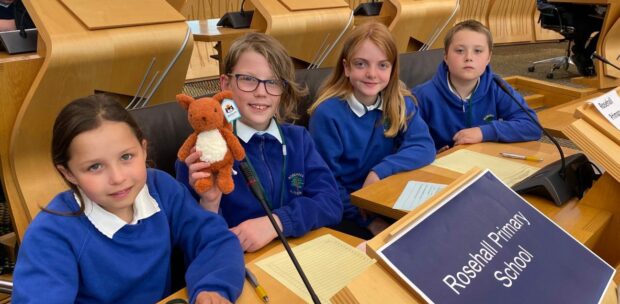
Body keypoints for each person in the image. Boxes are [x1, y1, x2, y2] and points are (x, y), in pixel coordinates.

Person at [0, 95, 245, 304]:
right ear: (68, 173)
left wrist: (214, 287)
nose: (117, 177)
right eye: (95, 166)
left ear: (143, 149)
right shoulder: (52, 233)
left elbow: (216, 239)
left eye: (127, 157)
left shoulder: (161, 189)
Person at [176, 33, 342, 252]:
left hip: (301, 253)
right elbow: (194, 245)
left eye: (272, 82)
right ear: (226, 84)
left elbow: (331, 203)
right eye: (248, 79)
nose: (261, 92)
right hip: (242, 265)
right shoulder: (198, 155)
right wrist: (209, 204)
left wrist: (276, 223)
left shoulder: (298, 139)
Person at [308, 22, 436, 238]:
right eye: (361, 64)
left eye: (382, 65)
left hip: (386, 199)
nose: (372, 74)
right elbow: (327, 184)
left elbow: (424, 145)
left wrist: (379, 171)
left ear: (393, 69)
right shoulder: (327, 115)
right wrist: (369, 221)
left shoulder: (400, 102)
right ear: (347, 68)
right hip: (348, 210)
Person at [413, 19, 542, 153]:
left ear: (488, 58)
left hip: (483, 161)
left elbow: (532, 125)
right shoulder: (421, 96)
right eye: (460, 50)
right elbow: (403, 143)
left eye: (478, 51)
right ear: (446, 56)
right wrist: (430, 153)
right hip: (439, 168)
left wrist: (483, 132)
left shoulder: (497, 87)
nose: (469, 57)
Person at [537, 0, 605, 76]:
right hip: (560, 13)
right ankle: (580, 53)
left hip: (582, 12)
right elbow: (542, 3)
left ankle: (583, 55)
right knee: (584, 26)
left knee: (609, 25)